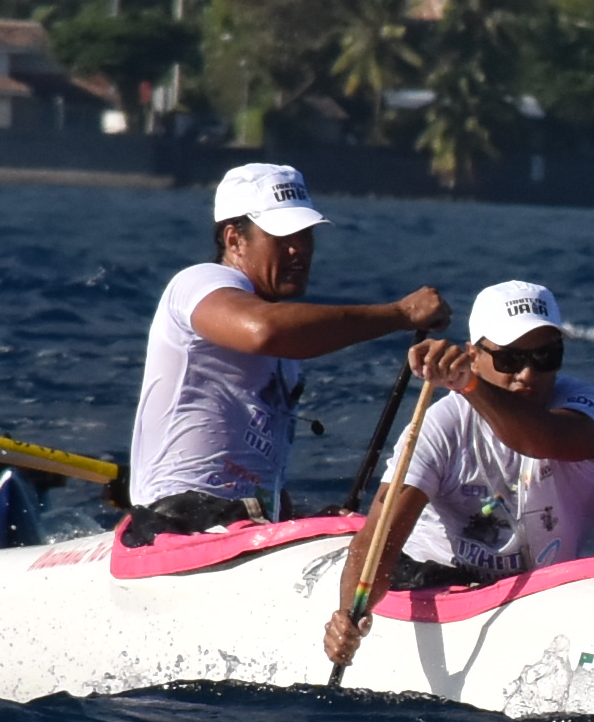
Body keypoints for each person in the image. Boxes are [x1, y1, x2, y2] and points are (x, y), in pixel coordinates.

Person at [119, 160, 446, 538]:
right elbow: (265, 331)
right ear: (234, 239)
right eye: (283, 237)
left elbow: (257, 469)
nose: (298, 250)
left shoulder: (285, 350)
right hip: (174, 523)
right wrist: (401, 314)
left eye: (305, 235)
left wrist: (301, 519)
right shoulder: (199, 282)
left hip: (242, 522)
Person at [321, 280, 594, 664]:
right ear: (473, 356)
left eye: (546, 356)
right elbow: (379, 536)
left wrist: (470, 385)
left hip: (542, 590)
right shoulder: (441, 424)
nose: (528, 374)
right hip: (434, 578)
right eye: (510, 359)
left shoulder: (588, 404)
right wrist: (349, 615)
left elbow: (543, 440)